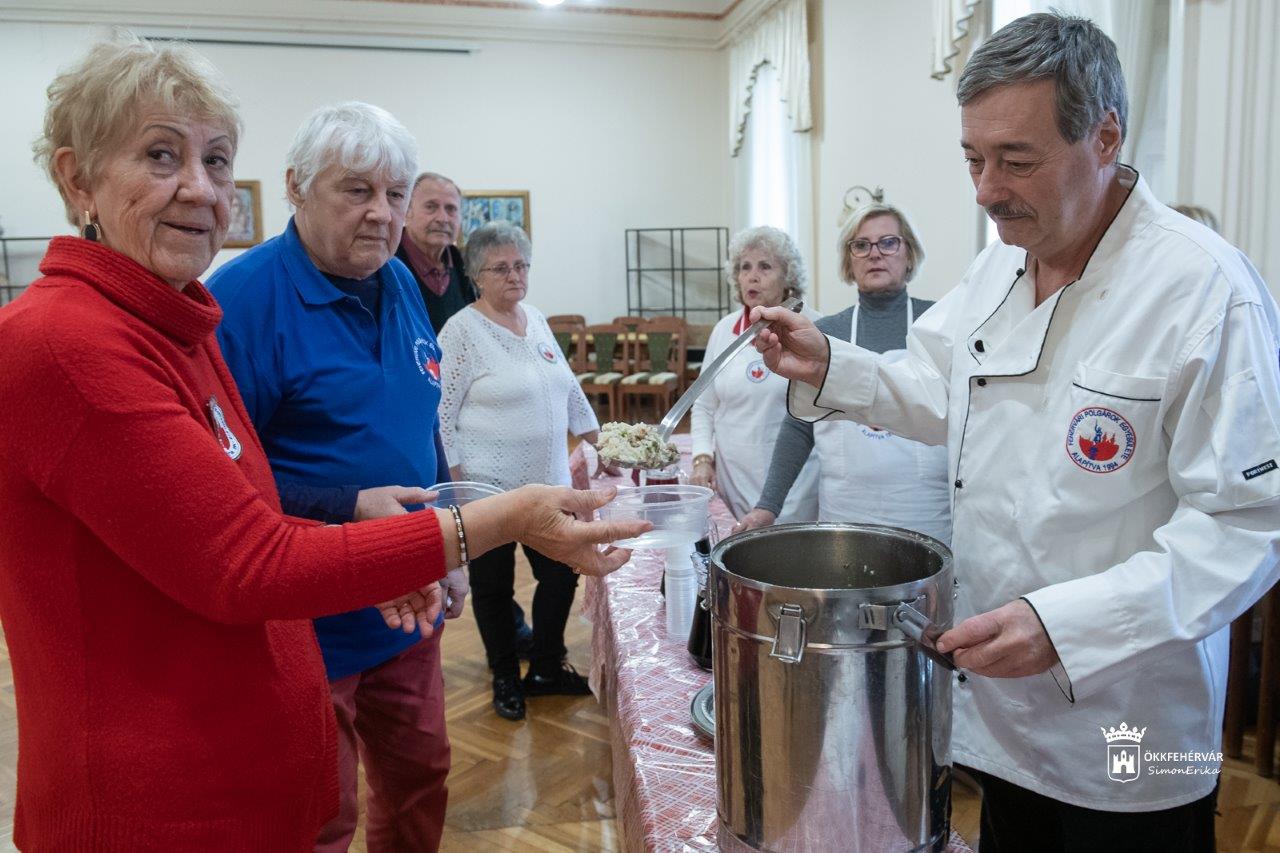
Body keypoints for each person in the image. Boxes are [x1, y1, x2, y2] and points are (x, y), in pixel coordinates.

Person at [0, 35, 646, 851]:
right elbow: (246, 556)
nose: (200, 189)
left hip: (310, 660)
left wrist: (416, 545)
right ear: (76, 177)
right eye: (161, 156)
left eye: (217, 159)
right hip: (162, 785)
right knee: (331, 816)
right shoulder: (77, 340)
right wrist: (496, 519)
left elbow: (243, 494)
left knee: (415, 778)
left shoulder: (180, 318)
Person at [751, 13, 1280, 852]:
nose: (986, 189)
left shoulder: (1205, 293)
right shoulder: (1003, 260)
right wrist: (829, 365)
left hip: (1125, 729)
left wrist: (1065, 624)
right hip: (998, 715)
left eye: (1016, 160)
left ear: (1105, 136)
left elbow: (1247, 524)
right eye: (974, 158)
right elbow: (937, 388)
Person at [210, 103, 458, 852]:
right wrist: (348, 505)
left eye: (394, 193)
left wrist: (449, 534)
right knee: (322, 813)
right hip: (306, 623)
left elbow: (423, 419)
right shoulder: (242, 302)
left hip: (409, 600)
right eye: (357, 191)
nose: (382, 215)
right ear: (296, 186)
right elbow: (220, 486)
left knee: (422, 777)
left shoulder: (401, 282)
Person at [437, 221, 603, 721]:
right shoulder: (461, 331)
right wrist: (461, 490)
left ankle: (547, 666)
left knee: (561, 573)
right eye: (501, 268)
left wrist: (602, 441)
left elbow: (568, 389)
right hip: (488, 491)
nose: (514, 276)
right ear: (476, 276)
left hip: (549, 483)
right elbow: (442, 415)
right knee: (492, 588)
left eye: (521, 265)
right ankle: (505, 675)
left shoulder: (534, 318)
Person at [738, 204, 951, 544]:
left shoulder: (941, 326)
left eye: (889, 242)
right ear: (849, 261)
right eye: (861, 245)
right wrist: (768, 505)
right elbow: (798, 426)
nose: (874, 254)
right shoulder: (825, 334)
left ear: (909, 254)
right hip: (845, 517)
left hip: (924, 516)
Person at [396, 170, 534, 659]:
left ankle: (508, 631)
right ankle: (414, 636)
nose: (442, 218)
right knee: (430, 540)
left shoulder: (464, 266)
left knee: (481, 552)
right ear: (407, 211)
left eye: (451, 209)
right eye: (430, 207)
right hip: (409, 421)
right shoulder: (388, 266)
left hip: (466, 427)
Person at [690, 225, 821, 521]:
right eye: (744, 267)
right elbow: (704, 404)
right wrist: (702, 458)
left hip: (797, 487)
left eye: (765, 266)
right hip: (733, 482)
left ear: (788, 276)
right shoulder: (723, 331)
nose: (752, 275)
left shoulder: (814, 327)